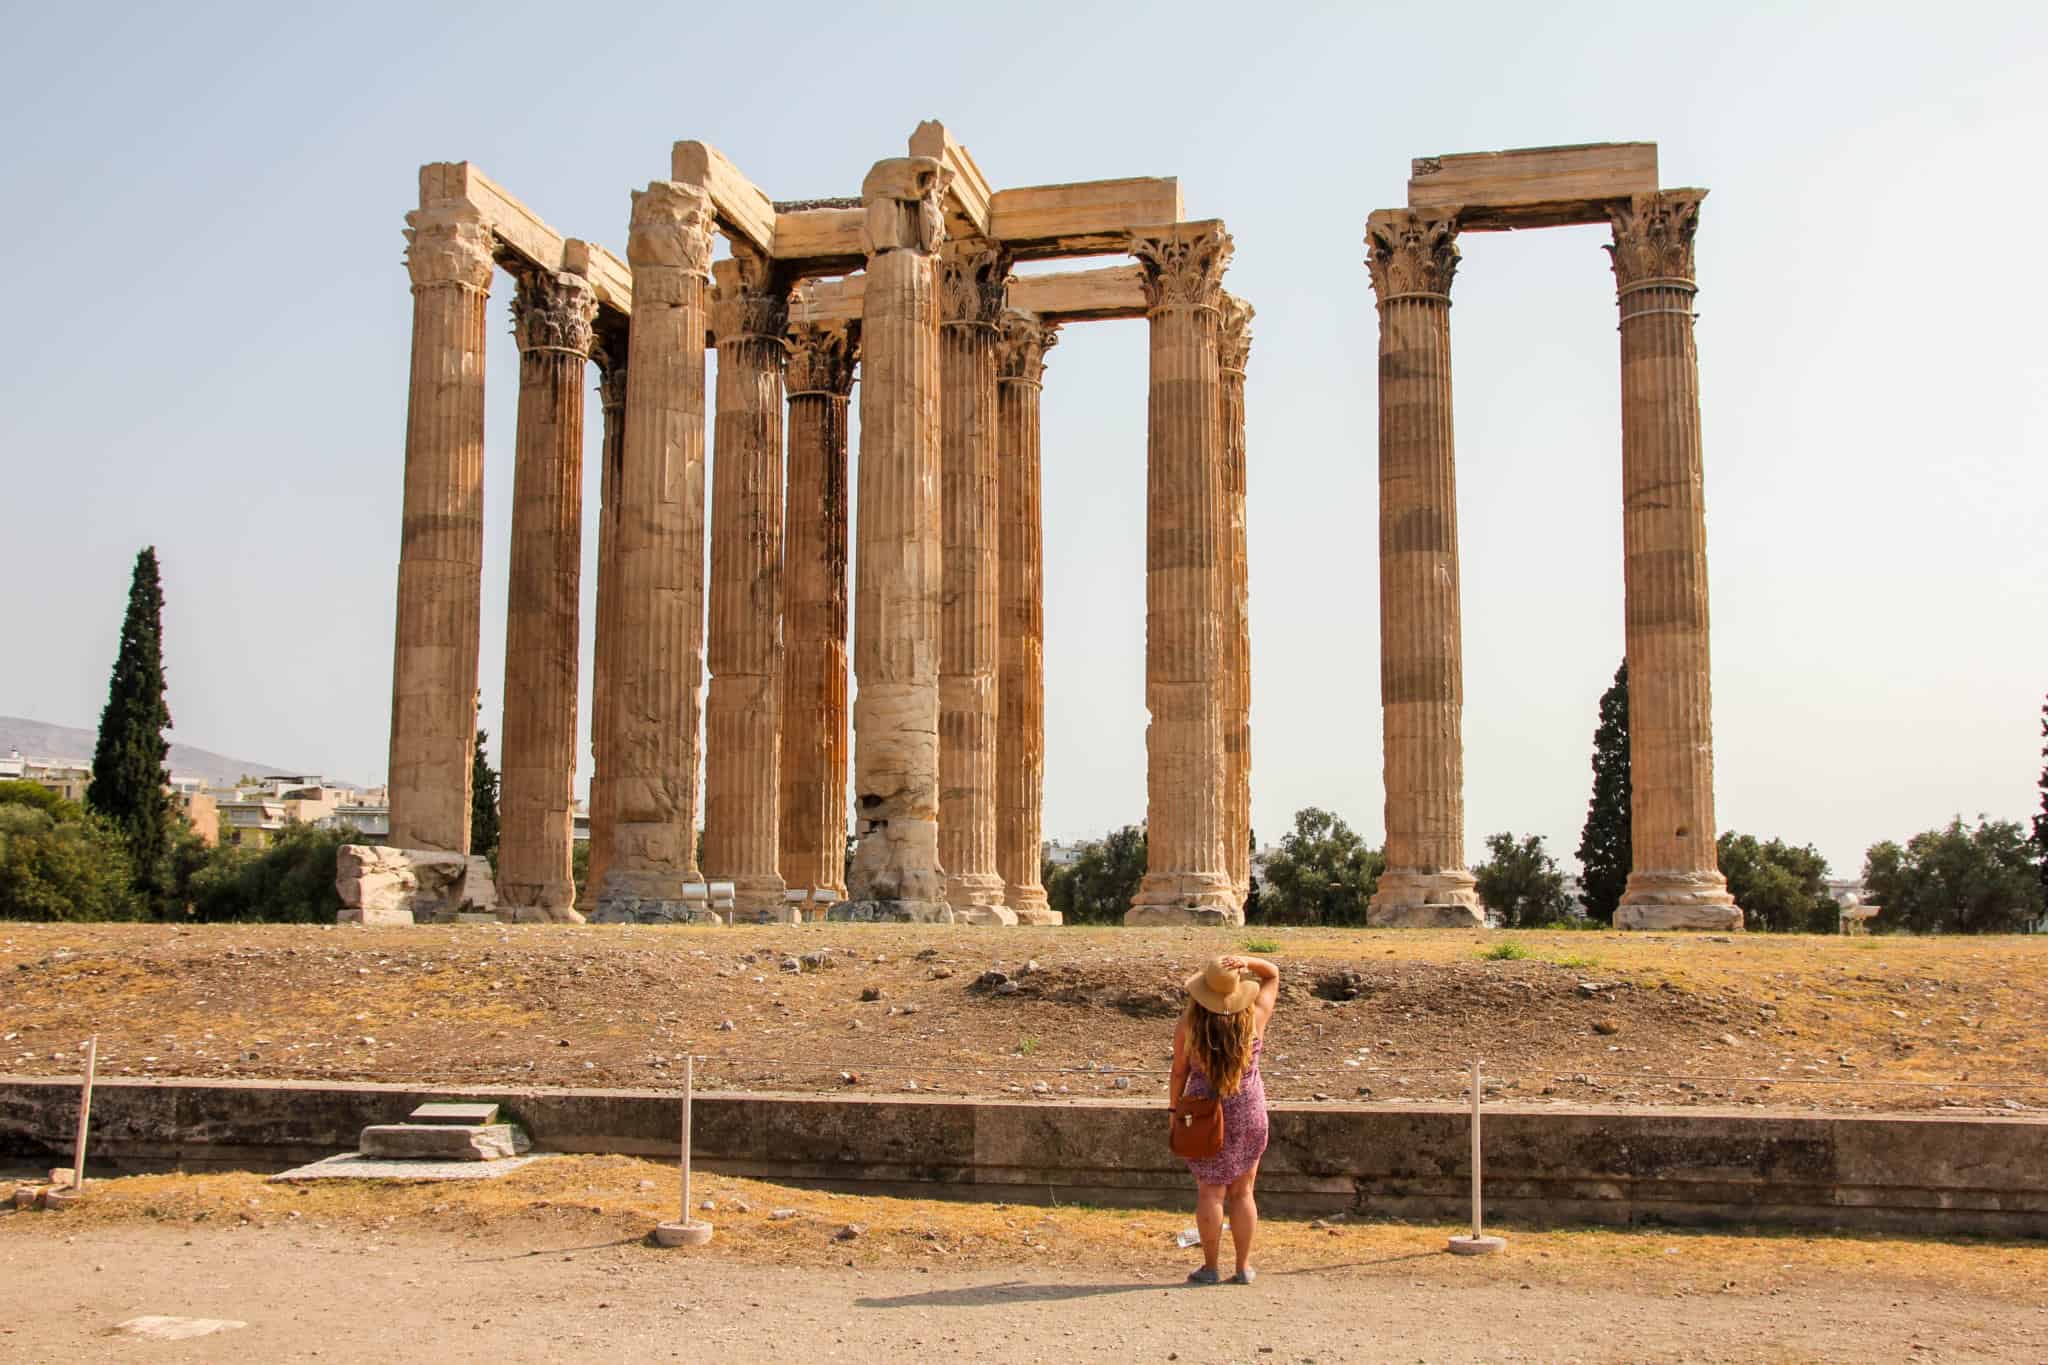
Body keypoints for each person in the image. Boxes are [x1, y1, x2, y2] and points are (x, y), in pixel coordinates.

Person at [1170, 953, 1278, 1285]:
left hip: (1205, 1111)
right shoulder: (1254, 1018)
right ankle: (1243, 1266)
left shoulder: (1190, 1026)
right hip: (1248, 1107)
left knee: (1210, 1191)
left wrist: (1174, 1112)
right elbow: (1272, 975)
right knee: (1244, 1191)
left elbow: (1178, 1072)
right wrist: (1246, 961)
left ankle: (1211, 1266)